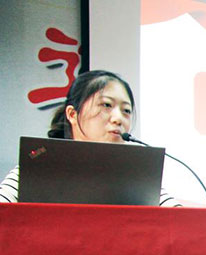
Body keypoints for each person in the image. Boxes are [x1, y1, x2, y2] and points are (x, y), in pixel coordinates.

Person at [0, 69, 178, 206]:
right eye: (106, 105)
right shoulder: (39, 164)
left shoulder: (137, 174)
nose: (118, 119)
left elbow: (178, 220)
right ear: (72, 114)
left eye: (126, 110)